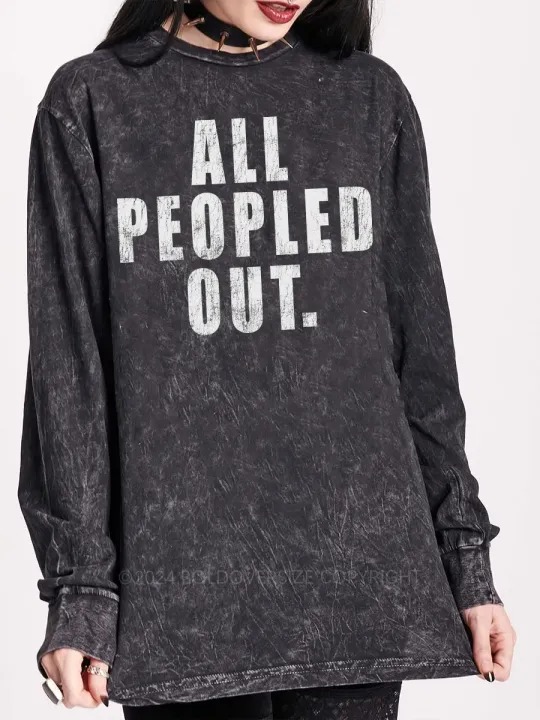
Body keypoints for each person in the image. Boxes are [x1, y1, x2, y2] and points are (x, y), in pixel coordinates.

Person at [18, 1, 516, 718]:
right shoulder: (94, 101)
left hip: (361, 588)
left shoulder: (368, 98)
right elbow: (70, 372)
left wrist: (467, 562)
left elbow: (422, 359)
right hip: (182, 608)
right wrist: (81, 592)